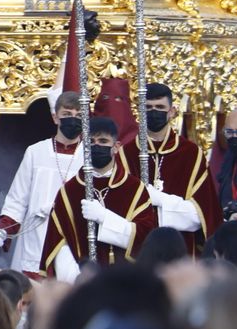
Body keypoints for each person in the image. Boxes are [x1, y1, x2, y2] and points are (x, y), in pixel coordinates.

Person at [40, 116, 156, 280]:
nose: (96, 146)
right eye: (91, 142)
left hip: (123, 280)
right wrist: (77, 277)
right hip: (81, 283)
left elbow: (144, 238)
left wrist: (104, 217)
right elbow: (58, 243)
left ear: (116, 147)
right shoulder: (69, 191)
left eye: (103, 141)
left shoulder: (135, 189)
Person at [0, 90, 85, 274]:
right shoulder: (36, 152)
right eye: (67, 114)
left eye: (79, 115)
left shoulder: (89, 157)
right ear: (55, 117)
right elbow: (18, 198)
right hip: (36, 236)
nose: (73, 119)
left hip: (72, 240)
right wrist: (5, 228)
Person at [125, 83, 219, 255]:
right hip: (139, 250)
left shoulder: (191, 154)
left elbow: (201, 215)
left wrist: (160, 200)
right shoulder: (126, 154)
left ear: (172, 111)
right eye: (148, 107)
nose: (154, 112)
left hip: (181, 248)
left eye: (160, 107)